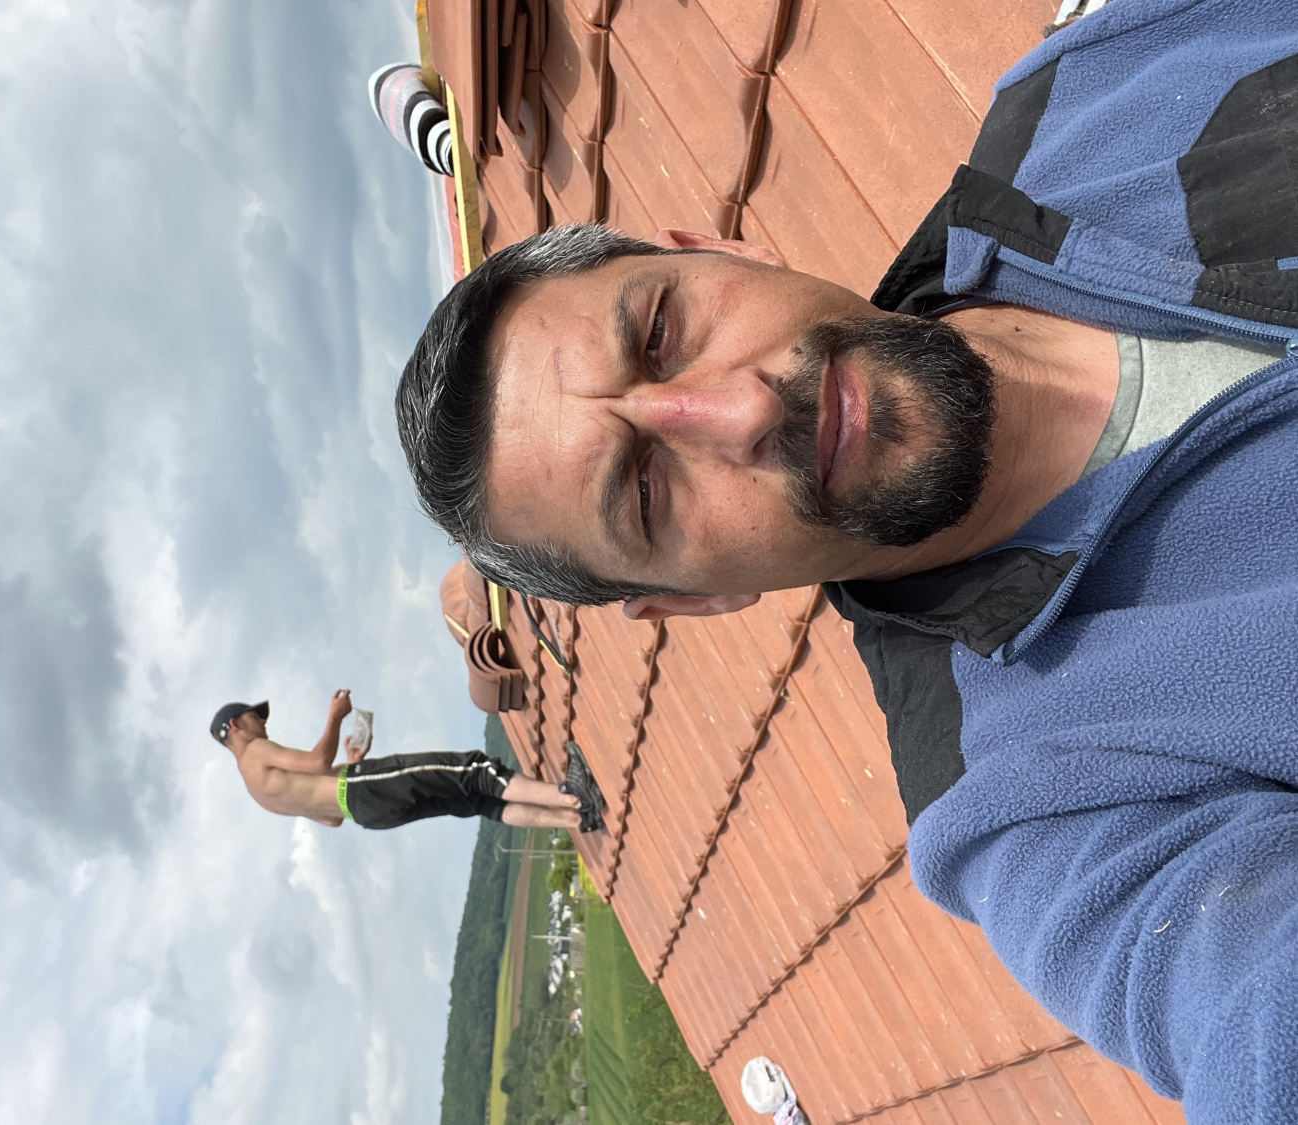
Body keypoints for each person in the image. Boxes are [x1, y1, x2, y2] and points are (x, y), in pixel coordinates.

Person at [395, 2, 1298, 1120]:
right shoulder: (1034, 810)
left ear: (723, 250)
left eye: (662, 333)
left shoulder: (1102, 77)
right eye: (645, 489)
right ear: (696, 599)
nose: (737, 410)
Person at [209, 692, 601, 831]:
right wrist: (335, 717)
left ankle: (574, 818)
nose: (262, 722)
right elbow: (315, 763)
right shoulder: (254, 752)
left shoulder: (259, 794)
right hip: (363, 787)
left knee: (479, 803)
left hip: (367, 813)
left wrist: (349, 762)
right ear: (235, 725)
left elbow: (330, 819)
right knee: (472, 770)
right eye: (255, 716)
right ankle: (571, 795)